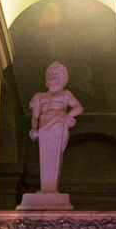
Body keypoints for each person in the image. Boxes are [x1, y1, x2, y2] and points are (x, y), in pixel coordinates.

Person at [29, 61, 83, 193]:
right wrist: (34, 129)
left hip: (58, 124)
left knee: (54, 157)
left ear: (63, 78)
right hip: (43, 127)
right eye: (51, 73)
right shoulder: (39, 96)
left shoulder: (65, 94)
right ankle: (46, 190)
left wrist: (67, 117)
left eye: (57, 74)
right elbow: (35, 116)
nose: (54, 76)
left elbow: (78, 108)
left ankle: (50, 190)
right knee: (45, 157)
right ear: (47, 77)